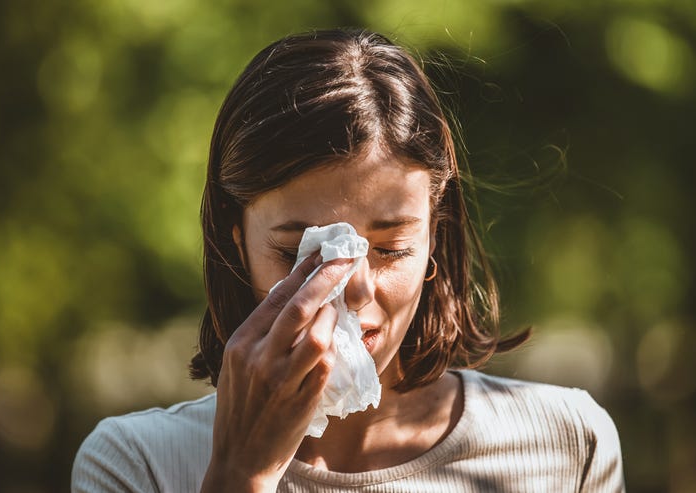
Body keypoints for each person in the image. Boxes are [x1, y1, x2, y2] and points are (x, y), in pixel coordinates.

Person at [72, 28, 625, 492]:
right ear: (233, 238)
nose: (354, 289)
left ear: (437, 234)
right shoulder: (137, 465)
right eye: (300, 252)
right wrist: (240, 474)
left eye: (390, 249)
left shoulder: (566, 444)